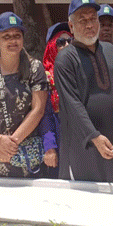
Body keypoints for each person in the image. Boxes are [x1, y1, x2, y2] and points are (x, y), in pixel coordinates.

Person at [53, 0, 113, 182]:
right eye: (82, 20)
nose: (89, 25)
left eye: (92, 19)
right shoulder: (65, 59)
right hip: (85, 144)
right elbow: (72, 105)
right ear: (71, 26)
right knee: (89, 200)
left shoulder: (110, 49)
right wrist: (94, 136)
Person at [0, 12, 48, 177]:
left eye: (17, 36)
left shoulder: (35, 68)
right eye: (6, 36)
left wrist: (10, 146)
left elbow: (38, 110)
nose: (13, 41)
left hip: (26, 156)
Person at [39, 22, 72, 178]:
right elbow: (44, 116)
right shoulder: (44, 77)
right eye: (60, 42)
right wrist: (50, 147)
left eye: (70, 41)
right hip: (57, 141)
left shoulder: (82, 71)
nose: (66, 45)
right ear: (52, 46)